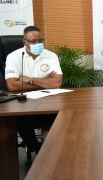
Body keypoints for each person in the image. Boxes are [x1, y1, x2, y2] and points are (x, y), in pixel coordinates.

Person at [5, 25, 62, 154]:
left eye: (40, 40)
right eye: (33, 41)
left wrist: (29, 79)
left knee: (63, 115)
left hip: (47, 102)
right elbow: (12, 86)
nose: (38, 44)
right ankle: (37, 150)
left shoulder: (51, 56)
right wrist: (45, 82)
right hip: (23, 104)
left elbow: (57, 83)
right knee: (22, 118)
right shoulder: (13, 57)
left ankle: (57, 151)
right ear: (24, 41)